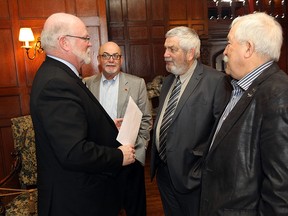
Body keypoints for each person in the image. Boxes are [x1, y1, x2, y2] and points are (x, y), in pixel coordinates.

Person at [30, 13, 136, 216]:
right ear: (64, 43)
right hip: (75, 201)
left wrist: (106, 127)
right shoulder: (56, 83)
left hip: (80, 195)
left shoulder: (60, 74)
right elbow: (73, 151)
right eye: (85, 38)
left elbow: (73, 126)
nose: (90, 44)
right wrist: (118, 156)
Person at [199, 12, 288, 216]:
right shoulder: (238, 87)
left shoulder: (279, 96)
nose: (225, 52)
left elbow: (281, 192)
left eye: (230, 43)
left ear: (248, 48)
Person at [150, 26, 231, 215]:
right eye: (165, 48)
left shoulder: (217, 82)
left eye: (172, 49)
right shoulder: (168, 81)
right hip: (164, 173)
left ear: (191, 53)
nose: (165, 54)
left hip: (193, 179)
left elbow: (223, 136)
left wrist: (201, 173)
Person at [83, 41, 152, 216]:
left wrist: (140, 150)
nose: (111, 60)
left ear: (121, 59)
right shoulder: (86, 84)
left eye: (115, 56)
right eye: (106, 55)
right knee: (104, 208)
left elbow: (146, 120)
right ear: (99, 59)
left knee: (135, 209)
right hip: (100, 159)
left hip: (130, 157)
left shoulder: (137, 84)